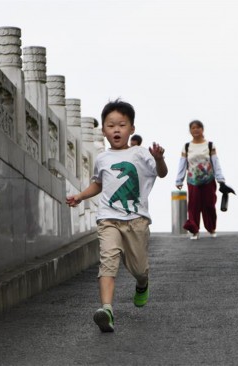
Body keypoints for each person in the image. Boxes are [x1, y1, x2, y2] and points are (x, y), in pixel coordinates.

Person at [65, 99, 168, 333]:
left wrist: (160, 158)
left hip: (137, 220)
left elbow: (161, 173)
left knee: (139, 269)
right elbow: (98, 184)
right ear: (104, 130)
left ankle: (142, 284)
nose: (116, 130)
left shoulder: (140, 153)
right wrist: (80, 196)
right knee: (107, 262)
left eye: (122, 125)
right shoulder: (102, 158)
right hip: (108, 219)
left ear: (131, 128)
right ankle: (107, 309)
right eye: (111, 126)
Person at [175, 120, 227, 240]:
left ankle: (212, 228)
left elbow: (216, 162)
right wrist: (179, 180)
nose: (196, 130)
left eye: (198, 127)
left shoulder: (210, 145)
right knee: (193, 206)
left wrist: (221, 179)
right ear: (190, 131)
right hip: (193, 181)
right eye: (193, 128)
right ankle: (194, 231)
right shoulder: (187, 146)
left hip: (208, 179)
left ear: (202, 129)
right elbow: (182, 164)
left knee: (209, 204)